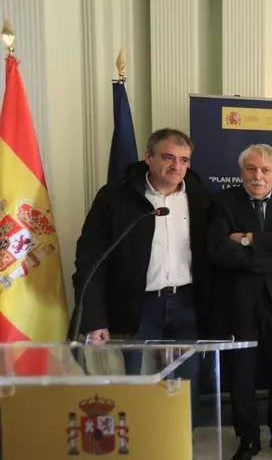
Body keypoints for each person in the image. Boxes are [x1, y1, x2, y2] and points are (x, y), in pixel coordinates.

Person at [71, 128, 212, 424]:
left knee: (184, 385)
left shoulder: (202, 197)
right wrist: (94, 318)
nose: (176, 166)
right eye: (168, 157)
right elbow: (91, 259)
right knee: (134, 383)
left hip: (187, 305)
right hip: (137, 307)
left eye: (184, 160)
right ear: (148, 157)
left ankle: (177, 443)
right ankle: (136, 441)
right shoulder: (116, 197)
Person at [207, 144, 272, 460]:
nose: (258, 176)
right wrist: (270, 254)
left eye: (265, 170)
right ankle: (248, 438)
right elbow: (218, 250)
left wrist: (247, 239)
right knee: (242, 373)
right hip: (238, 303)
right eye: (251, 169)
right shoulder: (223, 202)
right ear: (242, 172)